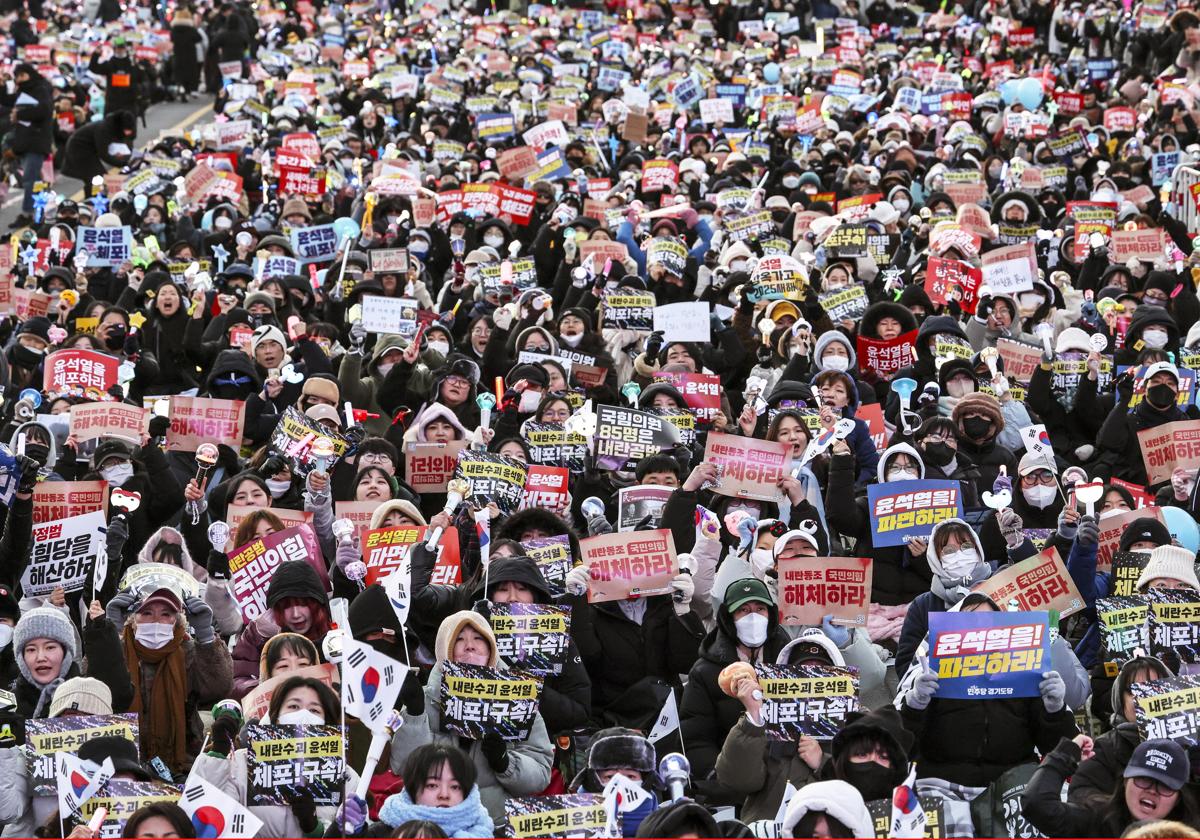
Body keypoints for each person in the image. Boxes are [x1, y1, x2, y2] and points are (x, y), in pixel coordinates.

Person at [386, 611, 554, 821]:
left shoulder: (517, 701)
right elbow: (403, 766)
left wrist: (505, 763)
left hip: (496, 826)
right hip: (435, 825)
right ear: (444, 649)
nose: (470, 646)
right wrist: (414, 715)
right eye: (459, 639)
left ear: (491, 648)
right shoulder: (425, 699)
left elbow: (540, 774)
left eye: (478, 638)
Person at [192, 676, 360, 837]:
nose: (303, 715)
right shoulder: (242, 763)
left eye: (314, 710)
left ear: (327, 721)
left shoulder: (345, 775)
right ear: (276, 715)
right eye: (293, 706)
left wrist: (316, 829)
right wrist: (218, 755)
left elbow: (355, 829)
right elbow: (206, 819)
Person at [1023, 738, 1200, 836]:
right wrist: (1065, 755)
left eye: (1165, 786)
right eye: (1144, 779)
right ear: (1125, 781)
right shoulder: (1095, 819)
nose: (1152, 790)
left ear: (1178, 798)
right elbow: (1037, 804)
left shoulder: (1190, 834)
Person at [370, 745, 494, 838]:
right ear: (413, 789)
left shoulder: (482, 830)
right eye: (432, 785)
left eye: (455, 787)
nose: (444, 795)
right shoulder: (383, 832)